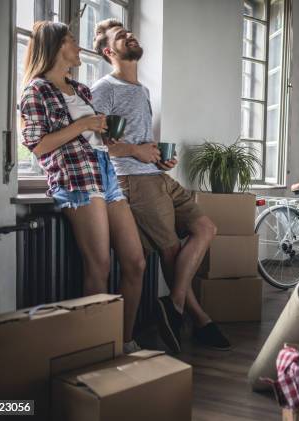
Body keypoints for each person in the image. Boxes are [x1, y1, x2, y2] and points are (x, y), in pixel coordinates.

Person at [91, 19, 231, 353]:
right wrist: (136, 152)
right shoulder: (103, 89)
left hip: (155, 175)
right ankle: (199, 320)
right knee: (170, 251)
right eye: (121, 36)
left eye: (129, 31)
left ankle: (175, 305)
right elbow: (94, 142)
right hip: (131, 180)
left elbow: (136, 140)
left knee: (205, 228)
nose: (129, 35)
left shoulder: (141, 90)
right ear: (110, 51)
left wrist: (157, 158)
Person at [20, 21, 145, 354]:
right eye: (72, 40)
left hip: (104, 172)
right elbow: (37, 145)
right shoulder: (36, 90)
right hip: (75, 178)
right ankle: (96, 348)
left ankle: (124, 341)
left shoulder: (82, 90)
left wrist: (103, 133)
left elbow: (93, 136)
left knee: (135, 262)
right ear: (57, 46)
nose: (78, 46)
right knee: (99, 267)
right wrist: (82, 125)